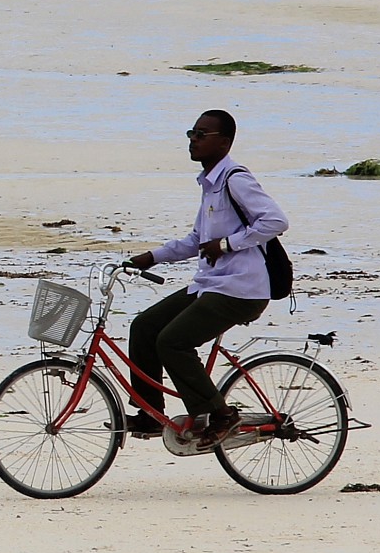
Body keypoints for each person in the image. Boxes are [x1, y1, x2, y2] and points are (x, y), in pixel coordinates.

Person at [124, 108, 289, 448]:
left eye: (202, 134)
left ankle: (220, 414)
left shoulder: (235, 179)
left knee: (172, 341)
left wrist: (228, 244)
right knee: (144, 327)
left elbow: (275, 221)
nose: (193, 140)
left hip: (241, 289)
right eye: (191, 133)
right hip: (211, 285)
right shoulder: (210, 185)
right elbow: (194, 242)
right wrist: (150, 257)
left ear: (225, 142)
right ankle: (151, 414)